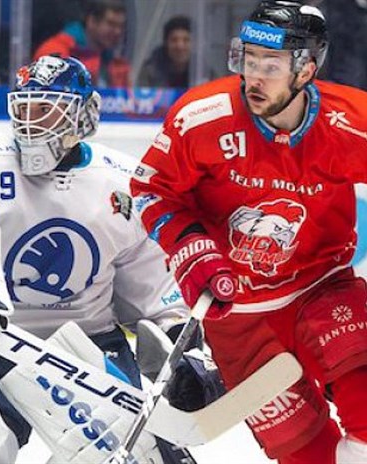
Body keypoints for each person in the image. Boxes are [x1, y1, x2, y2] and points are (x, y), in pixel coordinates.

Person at [0, 55, 200, 463]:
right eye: (23, 109)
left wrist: (177, 340)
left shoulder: (123, 183)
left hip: (86, 345)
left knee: (131, 457)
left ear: (84, 114)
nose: (30, 123)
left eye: (45, 110)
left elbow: (149, 291)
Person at [130, 1, 367, 463]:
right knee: (307, 456)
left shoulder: (351, 122)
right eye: (248, 59)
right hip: (235, 315)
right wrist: (193, 251)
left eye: (270, 65)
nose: (253, 77)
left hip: (322, 290)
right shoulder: (202, 117)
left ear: (306, 69)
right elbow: (149, 191)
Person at [33, 0, 131, 88]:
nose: (118, 32)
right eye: (111, 24)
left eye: (121, 26)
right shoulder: (55, 53)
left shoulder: (116, 64)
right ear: (91, 21)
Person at [137, 15, 213, 89]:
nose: (180, 46)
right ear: (166, 43)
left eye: (186, 40)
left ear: (194, 43)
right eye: (174, 40)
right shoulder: (149, 73)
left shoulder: (205, 74)